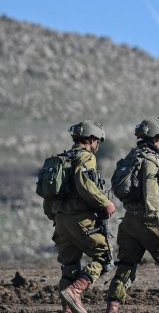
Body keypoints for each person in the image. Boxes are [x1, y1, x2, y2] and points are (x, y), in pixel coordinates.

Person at [105, 118, 159, 313]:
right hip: (150, 223)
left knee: (125, 267)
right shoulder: (151, 161)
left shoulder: (132, 156)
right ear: (158, 138)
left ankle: (112, 307)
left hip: (129, 222)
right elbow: (151, 195)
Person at [44, 120, 115, 313]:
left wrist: (57, 217)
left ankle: (67, 309)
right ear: (92, 139)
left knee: (69, 265)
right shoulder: (86, 157)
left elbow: (49, 196)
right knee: (104, 258)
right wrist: (105, 203)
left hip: (60, 220)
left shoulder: (62, 159)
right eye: (97, 141)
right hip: (80, 220)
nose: (97, 145)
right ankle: (76, 291)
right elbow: (85, 185)